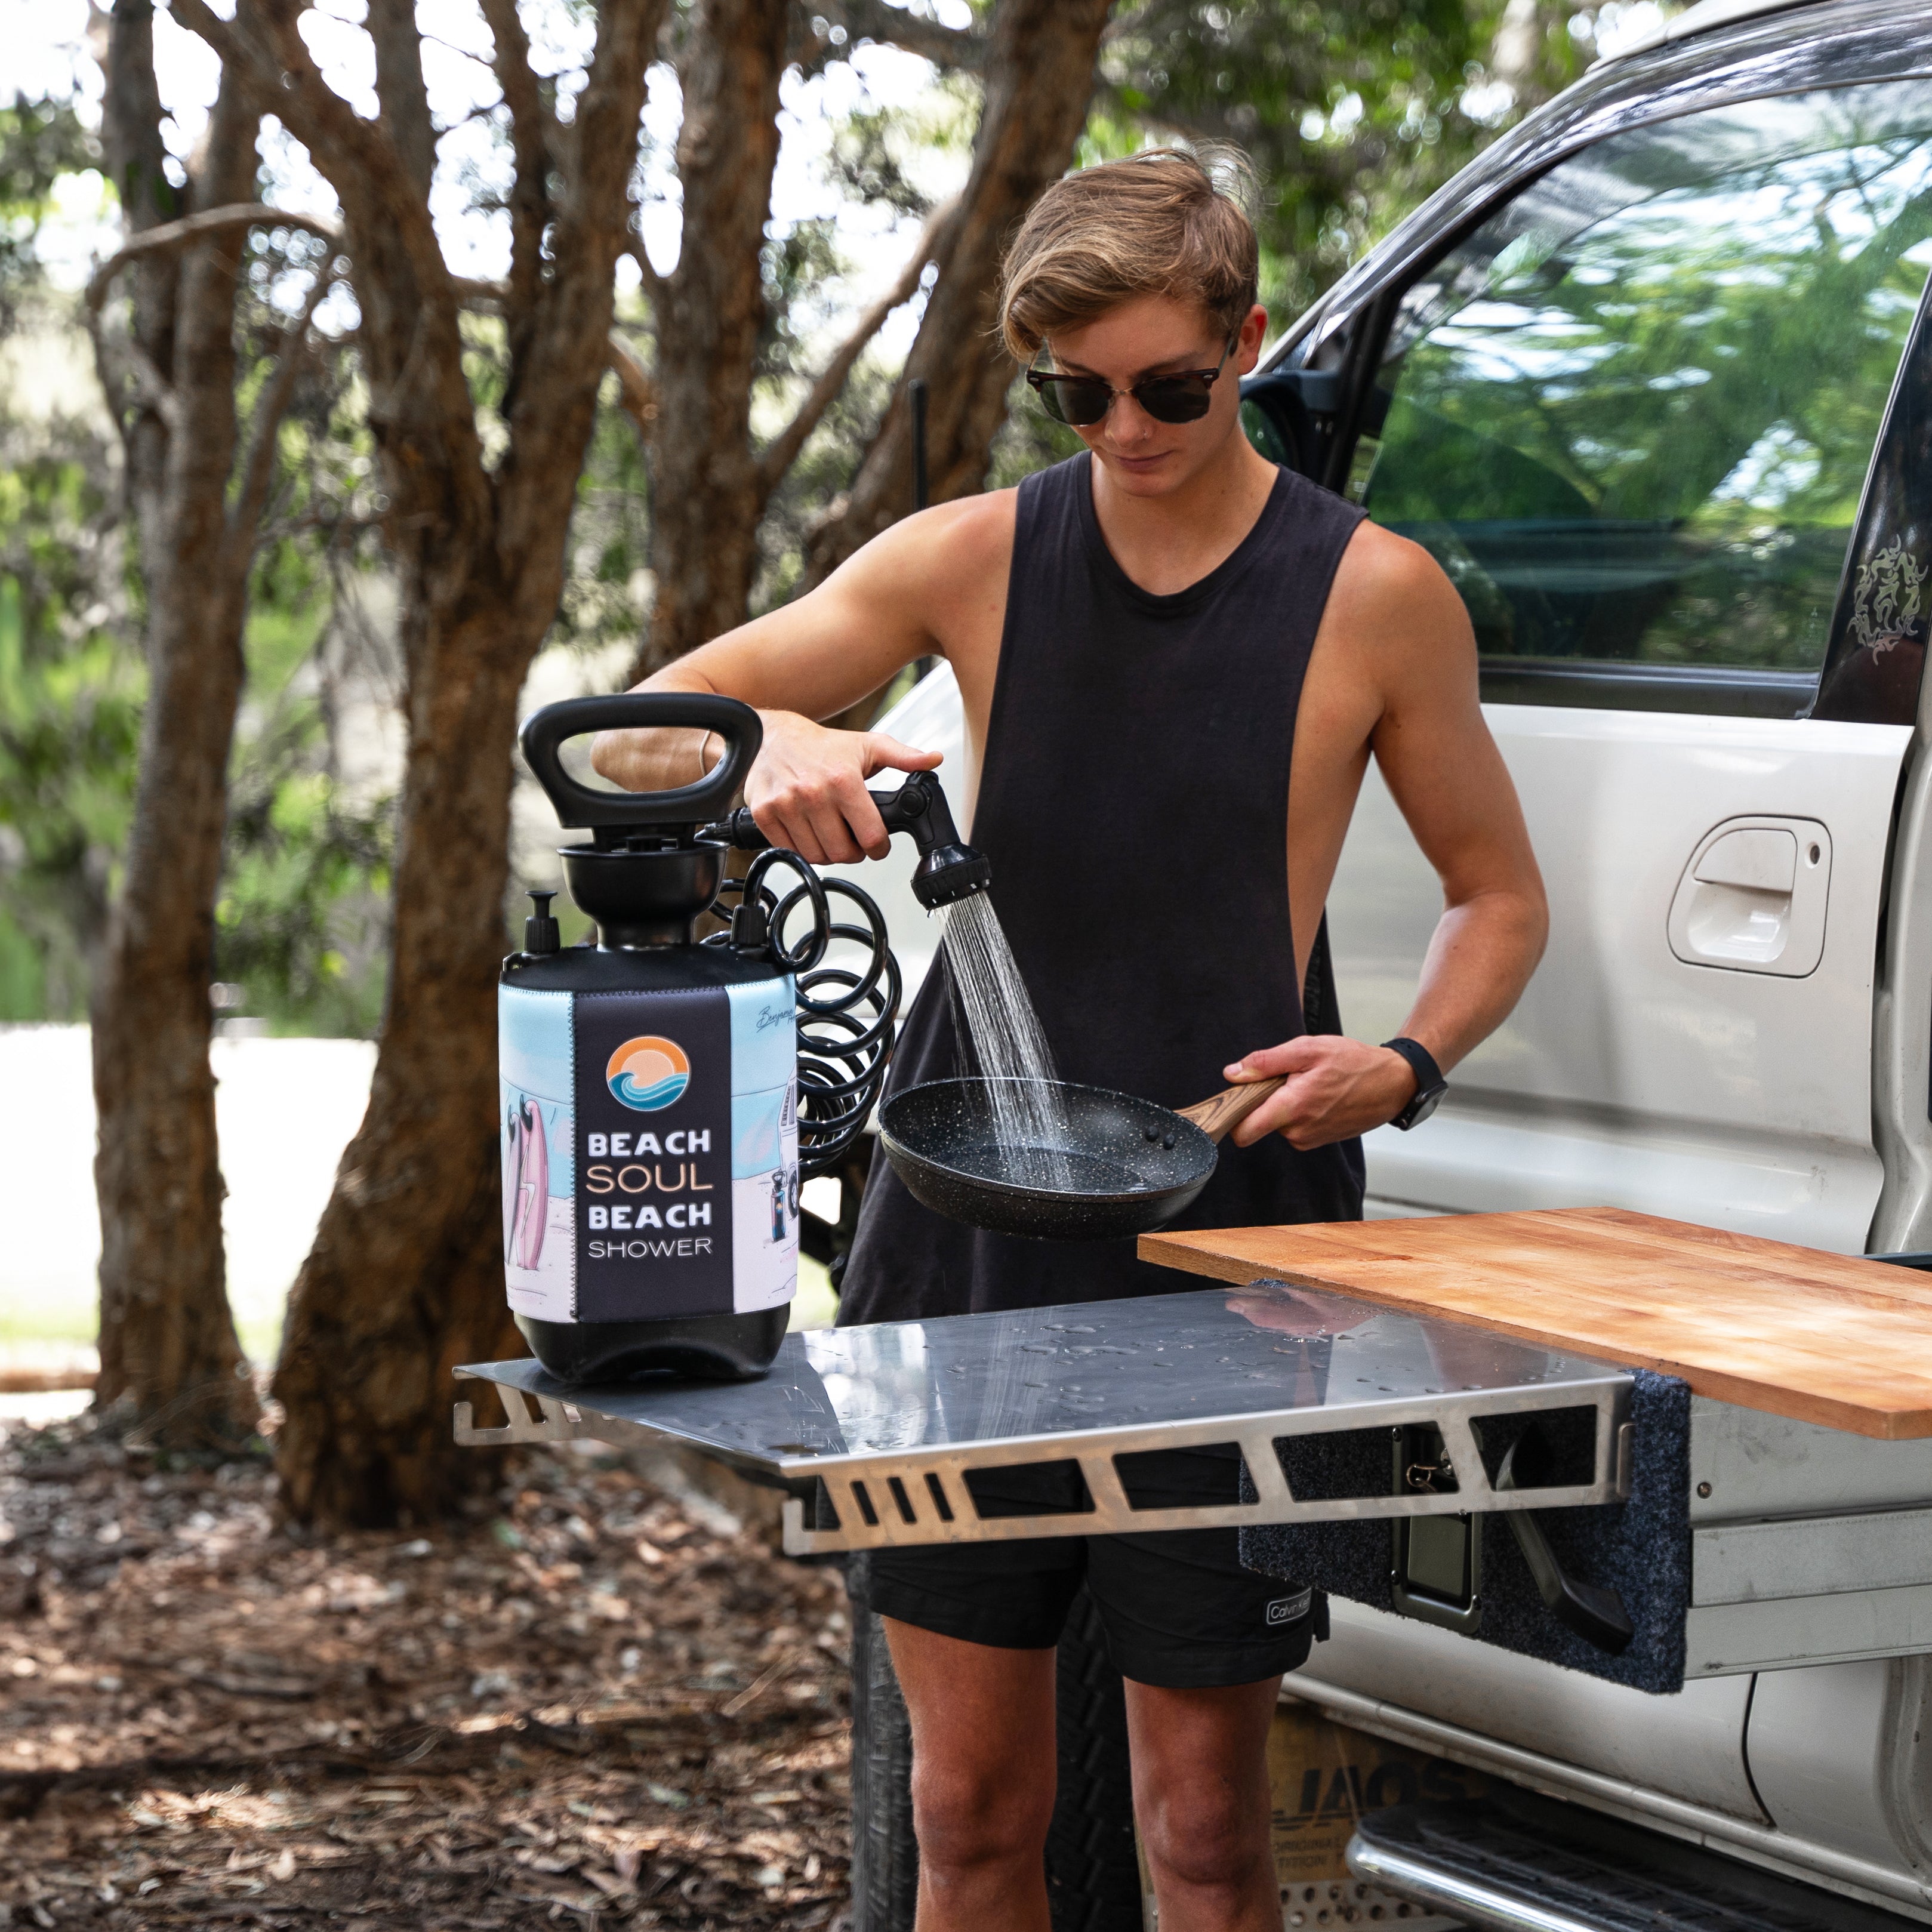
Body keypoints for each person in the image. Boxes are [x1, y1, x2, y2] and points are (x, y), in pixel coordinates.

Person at [595, 149, 1546, 1932]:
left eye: (1171, 387)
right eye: (1076, 393)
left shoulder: (1373, 594)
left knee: (1203, 1829)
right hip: (962, 1248)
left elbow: (1500, 899)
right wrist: (778, 738)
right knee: (968, 1813)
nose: (1126, 428)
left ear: (1249, 340)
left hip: (1236, 1251)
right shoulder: (976, 556)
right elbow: (646, 729)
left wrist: (1403, 1065)